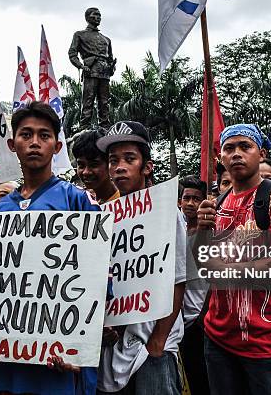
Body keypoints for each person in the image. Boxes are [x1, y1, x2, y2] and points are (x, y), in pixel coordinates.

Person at [0, 101, 101, 395]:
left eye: (44, 136)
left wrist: (77, 345)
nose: (34, 143)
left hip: (57, 354)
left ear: (57, 146)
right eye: (26, 135)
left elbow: (96, 276)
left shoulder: (77, 200)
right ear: (12, 144)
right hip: (1, 352)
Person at [195, 123, 271, 395]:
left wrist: (223, 270)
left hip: (268, 343)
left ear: (262, 154)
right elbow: (202, 263)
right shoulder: (216, 204)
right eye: (229, 148)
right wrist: (201, 229)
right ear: (220, 157)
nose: (236, 154)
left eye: (245, 147)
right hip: (218, 338)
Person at [95, 120, 186, 395]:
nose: (119, 166)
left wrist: (157, 341)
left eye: (129, 159)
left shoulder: (167, 212)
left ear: (147, 166)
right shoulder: (103, 216)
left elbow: (178, 280)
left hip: (152, 351)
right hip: (114, 349)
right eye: (113, 160)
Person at [177, 176, 210, 395]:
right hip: (179, 324)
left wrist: (203, 315)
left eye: (196, 199)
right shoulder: (172, 233)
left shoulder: (212, 235)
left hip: (202, 320)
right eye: (186, 198)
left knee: (204, 380)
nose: (190, 203)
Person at [68, 7, 116, 129]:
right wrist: (81, 66)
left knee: (104, 102)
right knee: (88, 101)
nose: (99, 17)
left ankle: (105, 126)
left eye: (100, 15)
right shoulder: (80, 35)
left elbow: (110, 57)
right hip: (90, 70)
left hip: (104, 72)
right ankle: (84, 126)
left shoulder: (106, 39)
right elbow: (72, 54)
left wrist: (112, 67)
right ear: (88, 17)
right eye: (95, 15)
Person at [72, 128, 119, 203]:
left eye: (94, 165)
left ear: (110, 164)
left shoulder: (125, 203)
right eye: (81, 165)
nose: (86, 172)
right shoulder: (82, 203)